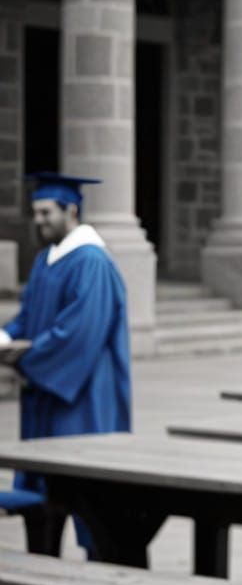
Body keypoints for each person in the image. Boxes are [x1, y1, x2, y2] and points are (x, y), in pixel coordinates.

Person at [0, 172, 131, 555]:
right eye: (35, 212)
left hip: (82, 398)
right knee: (42, 492)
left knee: (87, 496)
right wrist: (7, 336)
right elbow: (28, 318)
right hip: (47, 393)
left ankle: (100, 584)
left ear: (70, 210)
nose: (37, 220)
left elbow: (79, 333)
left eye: (45, 212)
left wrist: (28, 353)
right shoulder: (47, 260)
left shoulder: (92, 262)